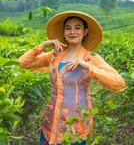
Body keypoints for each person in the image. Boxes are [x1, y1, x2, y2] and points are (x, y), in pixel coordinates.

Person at [18, 11, 126, 145]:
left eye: (77, 27)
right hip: (50, 121)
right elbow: (23, 63)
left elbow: (119, 84)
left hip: (75, 125)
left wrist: (88, 67)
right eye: (68, 28)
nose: (72, 32)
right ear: (63, 32)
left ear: (85, 31)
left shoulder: (91, 58)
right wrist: (43, 45)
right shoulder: (55, 55)